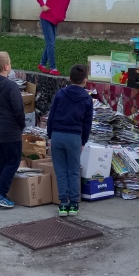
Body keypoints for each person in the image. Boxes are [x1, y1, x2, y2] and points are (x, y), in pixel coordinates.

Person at [46, 64, 93, 217]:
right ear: (85, 80)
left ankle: (63, 204)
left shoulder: (60, 94)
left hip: (58, 134)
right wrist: (83, 142)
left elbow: (51, 117)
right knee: (73, 171)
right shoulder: (87, 99)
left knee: (60, 171)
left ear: (70, 78)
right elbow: (87, 124)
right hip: (74, 137)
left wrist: (50, 136)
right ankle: (74, 204)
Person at [0, 51, 25, 209]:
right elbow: (18, 110)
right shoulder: (11, 86)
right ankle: (0, 193)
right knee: (13, 161)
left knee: (0, 160)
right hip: (10, 129)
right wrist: (21, 125)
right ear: (7, 66)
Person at [35, 0, 73, 76]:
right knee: (51, 44)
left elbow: (64, 8)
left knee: (50, 44)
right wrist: (42, 5)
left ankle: (42, 64)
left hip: (55, 21)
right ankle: (53, 67)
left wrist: (62, 17)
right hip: (46, 19)